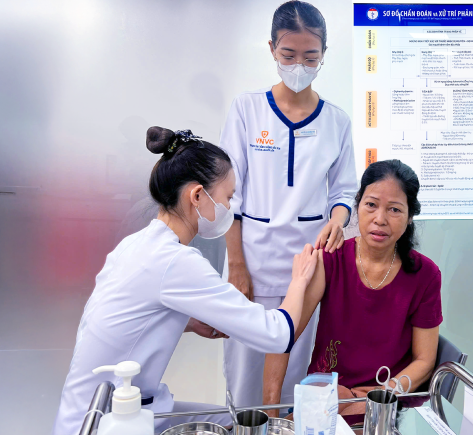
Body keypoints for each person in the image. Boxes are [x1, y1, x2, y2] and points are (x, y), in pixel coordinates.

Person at [52, 127, 320, 435]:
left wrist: (187, 322)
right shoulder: (175, 262)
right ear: (197, 195)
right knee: (235, 423)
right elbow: (278, 335)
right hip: (107, 422)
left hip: (89, 409)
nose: (229, 209)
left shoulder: (137, 245)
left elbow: (124, 319)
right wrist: (299, 279)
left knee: (229, 419)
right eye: (228, 197)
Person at [219, 0, 357, 409]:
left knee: (296, 372)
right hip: (251, 262)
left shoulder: (336, 121)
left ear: (324, 54)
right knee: (245, 373)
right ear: (272, 49)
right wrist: (237, 266)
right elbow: (227, 195)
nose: (299, 65)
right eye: (289, 54)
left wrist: (337, 220)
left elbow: (343, 191)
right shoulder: (247, 109)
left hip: (307, 266)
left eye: (310, 57)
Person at [263, 159, 443, 423]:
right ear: (357, 205)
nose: (379, 219)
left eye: (394, 209)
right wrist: (271, 413)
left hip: (383, 400)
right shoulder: (330, 259)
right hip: (326, 394)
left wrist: (378, 395)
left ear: (410, 216)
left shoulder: (425, 275)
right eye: (371, 205)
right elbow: (284, 334)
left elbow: (425, 361)